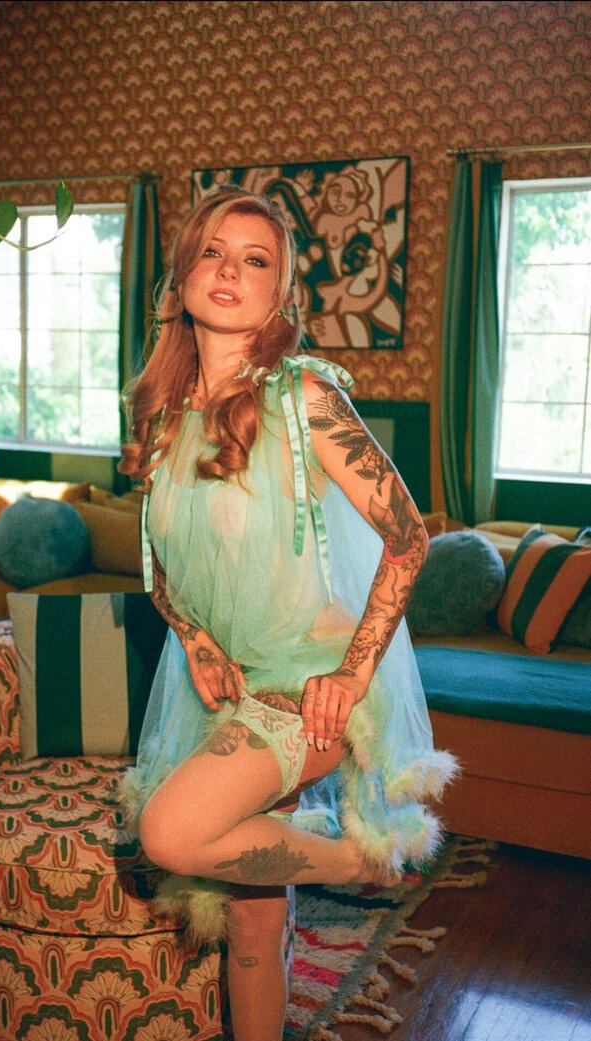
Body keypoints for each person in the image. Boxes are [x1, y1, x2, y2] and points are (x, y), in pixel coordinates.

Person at [117, 184, 456, 1041]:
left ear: (279, 294)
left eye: (255, 259)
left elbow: (407, 534)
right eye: (211, 252)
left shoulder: (302, 398)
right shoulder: (161, 414)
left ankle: (361, 861)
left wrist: (351, 674)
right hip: (225, 691)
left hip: (306, 688)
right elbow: (159, 564)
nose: (229, 270)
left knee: (170, 833)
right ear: (181, 277)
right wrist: (193, 636)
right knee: (250, 931)